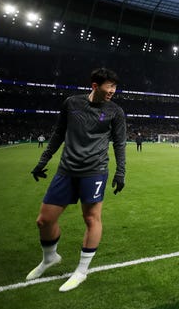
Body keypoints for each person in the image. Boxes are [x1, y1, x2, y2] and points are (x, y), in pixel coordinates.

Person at [27, 68, 126, 292]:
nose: (112, 91)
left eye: (114, 87)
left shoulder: (115, 111)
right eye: (108, 86)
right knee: (44, 220)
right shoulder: (72, 103)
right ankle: (50, 258)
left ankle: (81, 271)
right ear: (94, 86)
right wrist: (43, 161)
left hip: (95, 170)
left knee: (91, 218)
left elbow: (119, 143)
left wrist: (121, 171)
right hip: (66, 169)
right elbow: (58, 133)